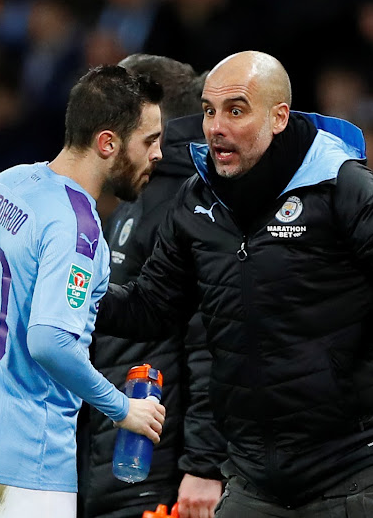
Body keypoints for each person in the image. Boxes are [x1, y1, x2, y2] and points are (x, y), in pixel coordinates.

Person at [95, 51, 373, 517]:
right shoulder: (196, 200)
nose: (216, 127)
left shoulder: (338, 181)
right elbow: (151, 308)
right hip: (253, 480)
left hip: (356, 470)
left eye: (236, 110)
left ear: (279, 117)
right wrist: (77, 296)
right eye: (208, 111)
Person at [0, 65, 166, 518]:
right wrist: (123, 410)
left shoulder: (5, 183)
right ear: (108, 142)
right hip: (22, 462)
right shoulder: (77, 225)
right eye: (149, 140)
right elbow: (49, 341)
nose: (158, 153)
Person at [79, 54, 226, 518]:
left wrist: (203, 466)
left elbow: (213, 346)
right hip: (115, 463)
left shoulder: (198, 205)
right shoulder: (137, 191)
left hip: (157, 474)